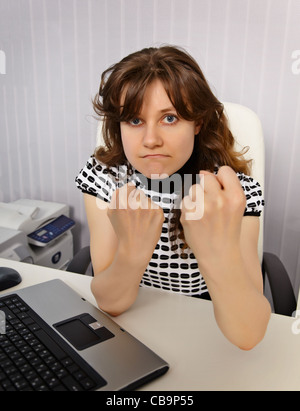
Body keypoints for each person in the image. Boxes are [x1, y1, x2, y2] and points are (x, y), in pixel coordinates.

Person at [75, 45, 271, 350]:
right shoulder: (105, 178)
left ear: (198, 122)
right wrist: (133, 248)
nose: (151, 140)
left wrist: (215, 250)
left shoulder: (230, 193)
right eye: (135, 121)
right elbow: (110, 303)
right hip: (134, 327)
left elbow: (248, 335)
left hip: (208, 326)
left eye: (169, 118)